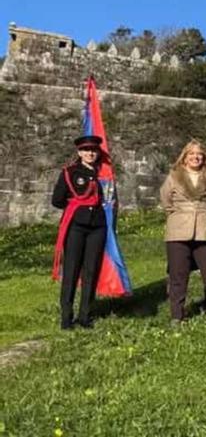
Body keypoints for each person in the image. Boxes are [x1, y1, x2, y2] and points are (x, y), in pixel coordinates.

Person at [160, 140, 206, 329]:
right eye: (191, 154)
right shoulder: (174, 176)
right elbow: (166, 200)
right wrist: (181, 214)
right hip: (178, 229)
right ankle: (177, 315)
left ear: (204, 157)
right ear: (185, 157)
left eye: (199, 154)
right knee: (178, 275)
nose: (195, 157)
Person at [51, 135, 111, 330]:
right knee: (72, 270)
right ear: (79, 152)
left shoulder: (104, 173)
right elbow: (57, 200)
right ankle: (66, 317)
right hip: (76, 226)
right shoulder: (70, 173)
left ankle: (85, 315)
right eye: (86, 150)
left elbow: (109, 199)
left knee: (91, 270)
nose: (90, 153)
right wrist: (76, 205)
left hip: (97, 226)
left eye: (93, 150)